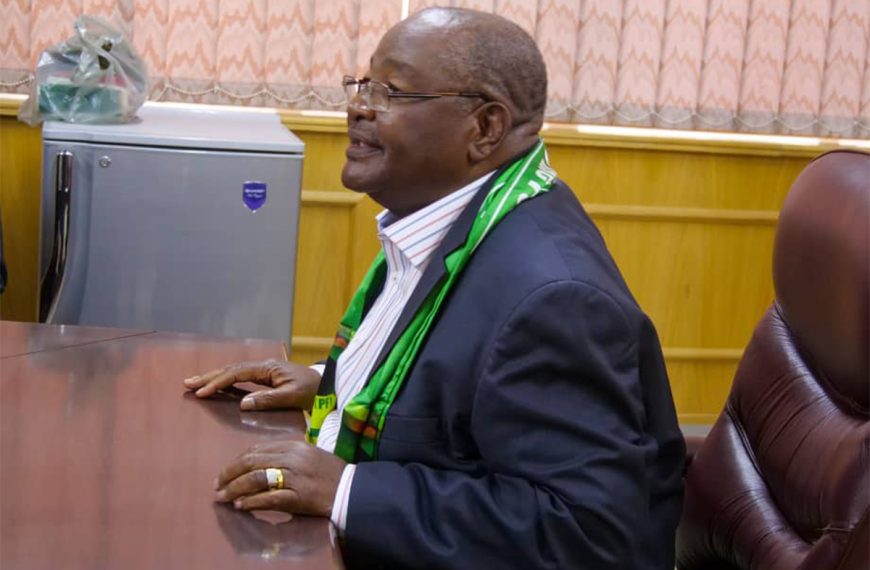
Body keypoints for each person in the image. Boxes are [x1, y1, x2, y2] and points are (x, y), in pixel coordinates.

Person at [184, 7, 685, 569]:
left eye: (391, 93)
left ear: (485, 128)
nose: (358, 107)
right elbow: (461, 384)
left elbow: (586, 533)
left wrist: (346, 489)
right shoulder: (452, 216)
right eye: (363, 86)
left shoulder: (554, 298)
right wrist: (333, 385)